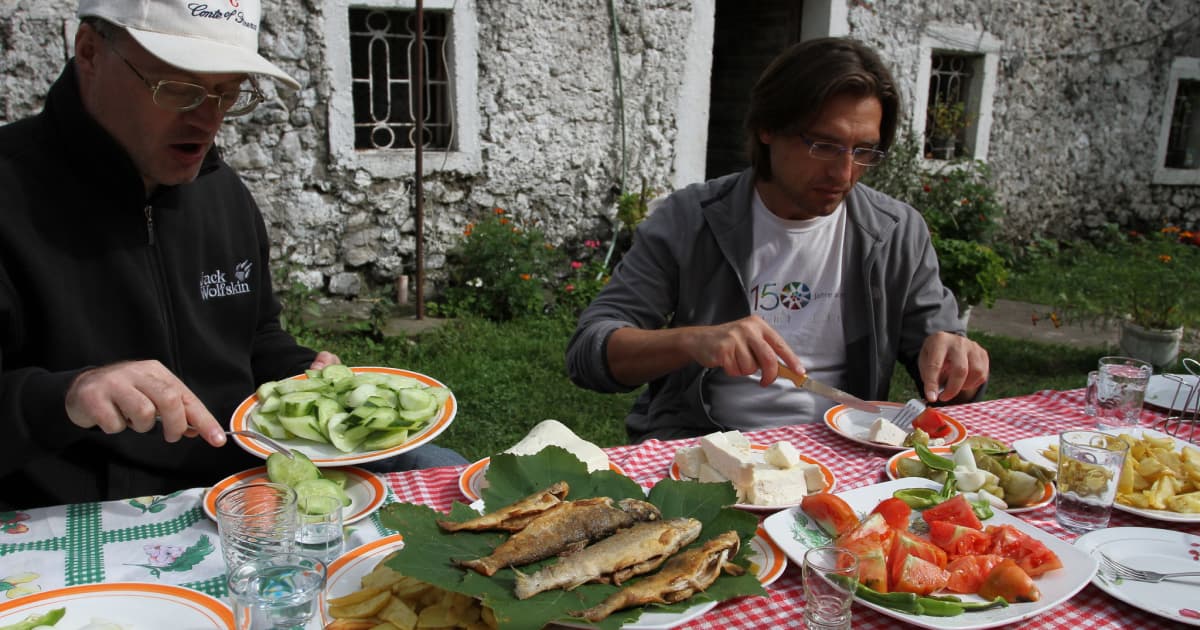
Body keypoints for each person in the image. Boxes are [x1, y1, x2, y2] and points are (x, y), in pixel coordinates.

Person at [0, 0, 464, 510]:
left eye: (229, 92)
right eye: (178, 87)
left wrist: (299, 371)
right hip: (78, 512)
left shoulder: (221, 191)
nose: (208, 117)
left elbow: (256, 335)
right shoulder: (12, 191)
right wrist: (69, 396)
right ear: (89, 50)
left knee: (450, 475)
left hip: (243, 482)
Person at [566, 37, 990, 443]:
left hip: (841, 451)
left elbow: (948, 385)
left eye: (864, 151)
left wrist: (959, 362)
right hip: (703, 448)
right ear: (767, 128)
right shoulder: (690, 219)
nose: (844, 175)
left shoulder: (896, 232)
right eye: (824, 145)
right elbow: (589, 352)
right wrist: (694, 340)